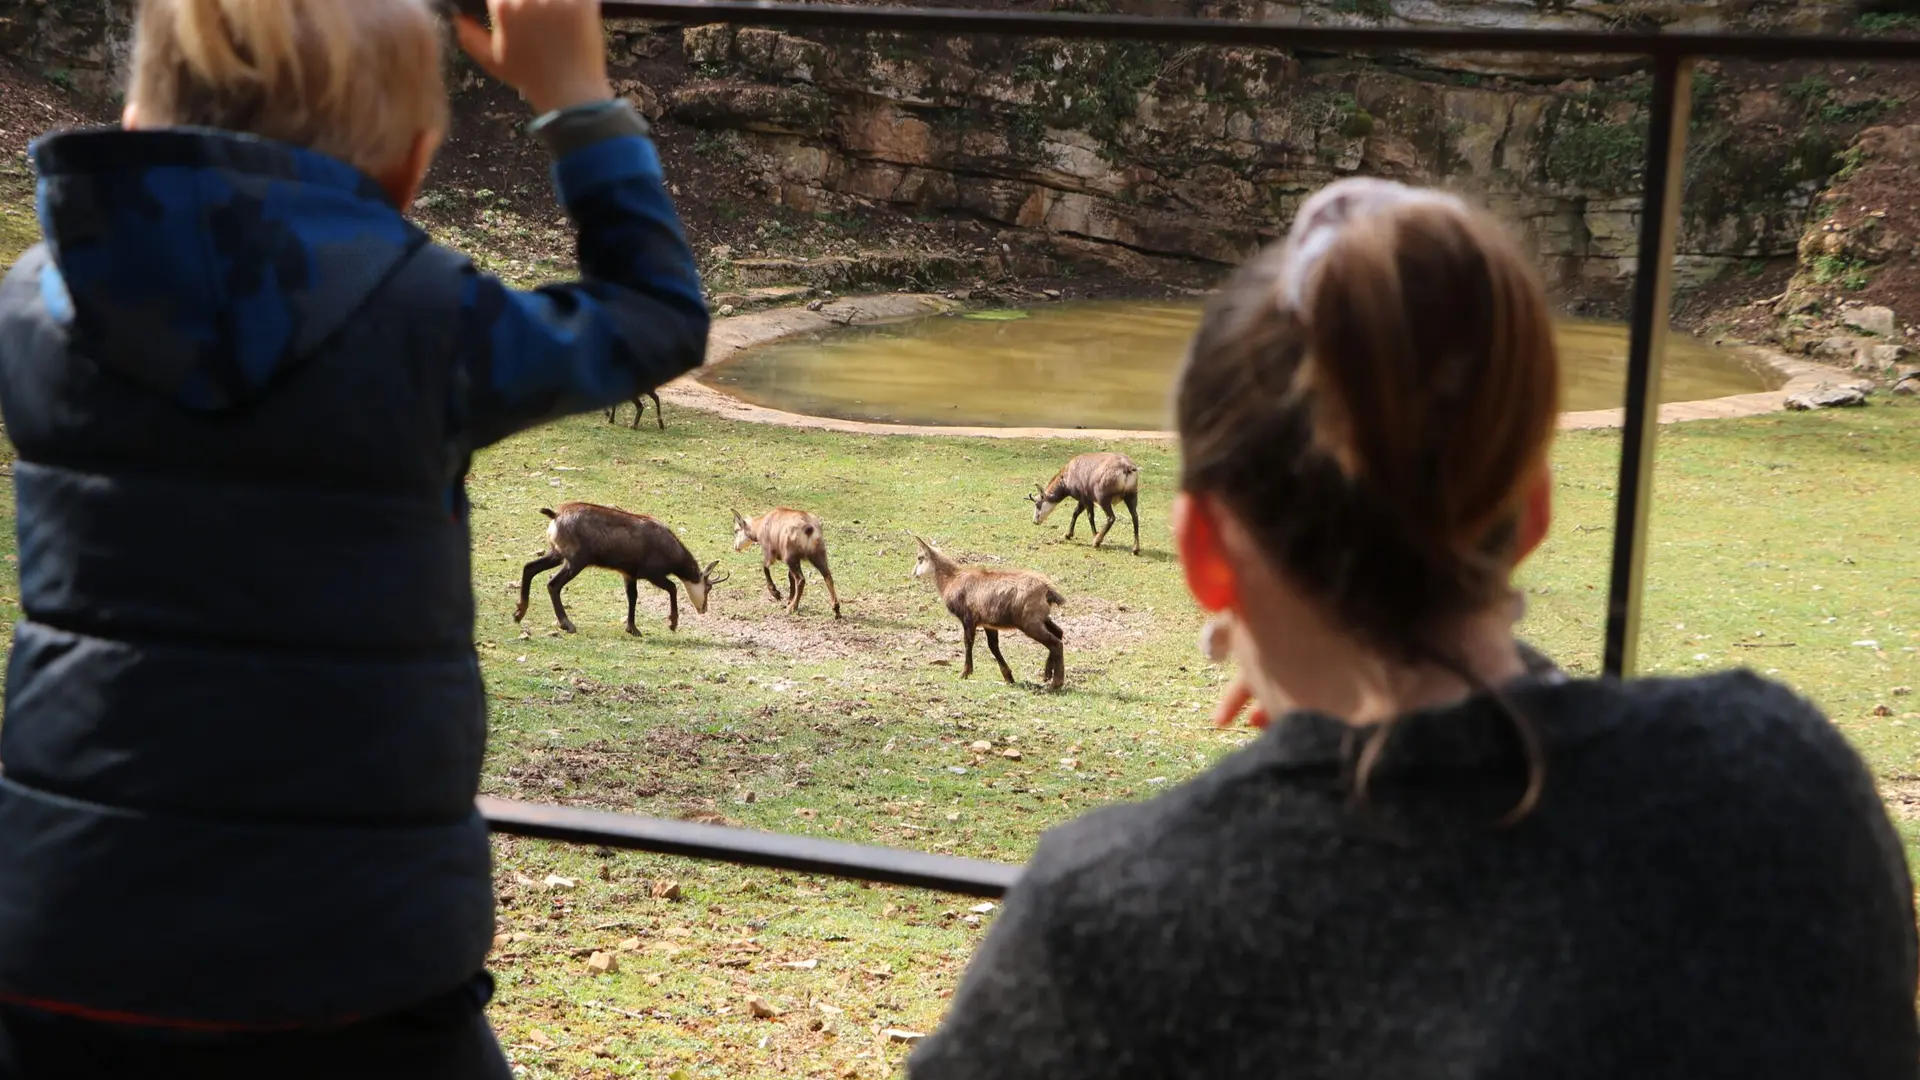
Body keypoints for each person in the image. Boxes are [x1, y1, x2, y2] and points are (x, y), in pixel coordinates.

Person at [908, 178, 1919, 1078]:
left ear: (1204, 556)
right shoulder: (1781, 785)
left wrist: (1303, 745)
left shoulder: (1098, 921)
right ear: (1531, 517)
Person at [0, 0, 707, 1074]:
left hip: (61, 934)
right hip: (358, 957)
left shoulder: (33, 308)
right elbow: (657, 316)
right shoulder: (429, 319)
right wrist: (576, 98)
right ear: (412, 163)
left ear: (138, 115)